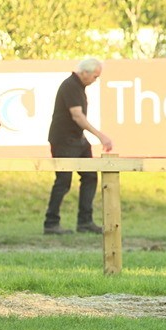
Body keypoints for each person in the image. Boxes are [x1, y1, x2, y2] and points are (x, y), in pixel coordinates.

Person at [44, 58, 113, 235]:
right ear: (85, 72)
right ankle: (51, 223)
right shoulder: (70, 86)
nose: (95, 80)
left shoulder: (78, 87)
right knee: (63, 181)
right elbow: (77, 116)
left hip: (77, 139)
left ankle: (85, 221)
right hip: (64, 140)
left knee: (90, 176)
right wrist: (100, 136)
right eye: (95, 76)